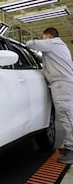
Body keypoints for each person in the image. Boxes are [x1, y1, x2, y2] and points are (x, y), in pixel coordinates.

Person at [26, 27, 73, 164]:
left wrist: (35, 43)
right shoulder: (60, 47)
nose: (43, 39)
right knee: (66, 115)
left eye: (44, 37)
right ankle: (68, 144)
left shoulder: (53, 43)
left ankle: (72, 149)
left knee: (66, 116)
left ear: (49, 36)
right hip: (62, 83)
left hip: (61, 84)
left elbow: (31, 44)